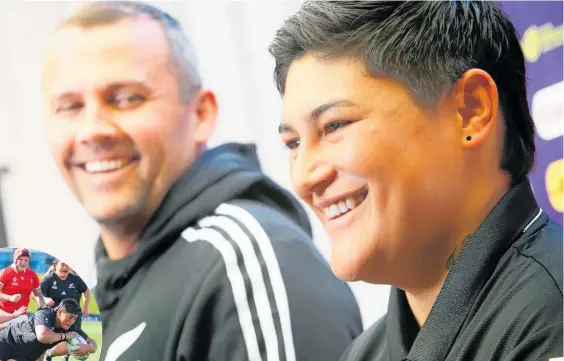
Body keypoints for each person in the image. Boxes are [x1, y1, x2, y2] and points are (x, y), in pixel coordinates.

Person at [42, 2, 363, 361]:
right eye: (69, 106)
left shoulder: (243, 264)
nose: (92, 130)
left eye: (126, 99)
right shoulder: (96, 290)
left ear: (201, 114)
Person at [269, 1, 563, 361]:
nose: (304, 177)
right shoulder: (362, 354)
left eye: (335, 126)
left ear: (470, 111)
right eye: (293, 143)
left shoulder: (551, 313)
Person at [0, 298, 97, 361]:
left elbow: (91, 341)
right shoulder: (44, 314)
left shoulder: (70, 328)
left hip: (25, 356)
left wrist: (90, 347)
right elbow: (42, 336)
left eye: (75, 318)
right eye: (70, 317)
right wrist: (65, 336)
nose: (72, 321)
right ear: (59, 312)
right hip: (7, 342)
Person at [41, 260, 90, 361]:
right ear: (55, 266)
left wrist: (85, 307)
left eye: (68, 264)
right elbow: (36, 292)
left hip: (72, 315)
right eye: (62, 264)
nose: (65, 267)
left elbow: (86, 290)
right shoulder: (48, 279)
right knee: (50, 339)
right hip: (54, 316)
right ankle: (48, 353)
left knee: (73, 339)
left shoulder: (76, 279)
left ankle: (65, 356)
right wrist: (45, 299)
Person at [0, 248, 46, 329]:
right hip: (4, 314)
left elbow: (37, 294)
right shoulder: (5, 273)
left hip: (22, 315)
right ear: (15, 259)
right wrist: (10, 298)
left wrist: (44, 306)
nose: (23, 263)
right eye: (21, 259)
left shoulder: (32, 275)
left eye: (26, 260)